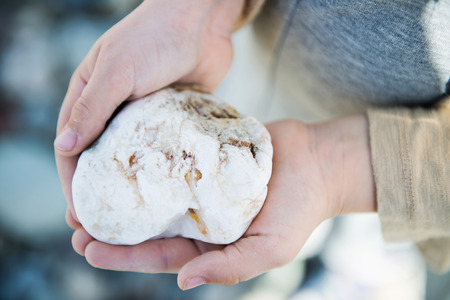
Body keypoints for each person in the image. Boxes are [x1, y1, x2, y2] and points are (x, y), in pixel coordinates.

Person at [54, 0, 450, 290]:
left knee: (391, 217)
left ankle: (372, 259)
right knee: (255, 97)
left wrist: (346, 171)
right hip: (263, 38)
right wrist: (206, 9)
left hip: (408, 143)